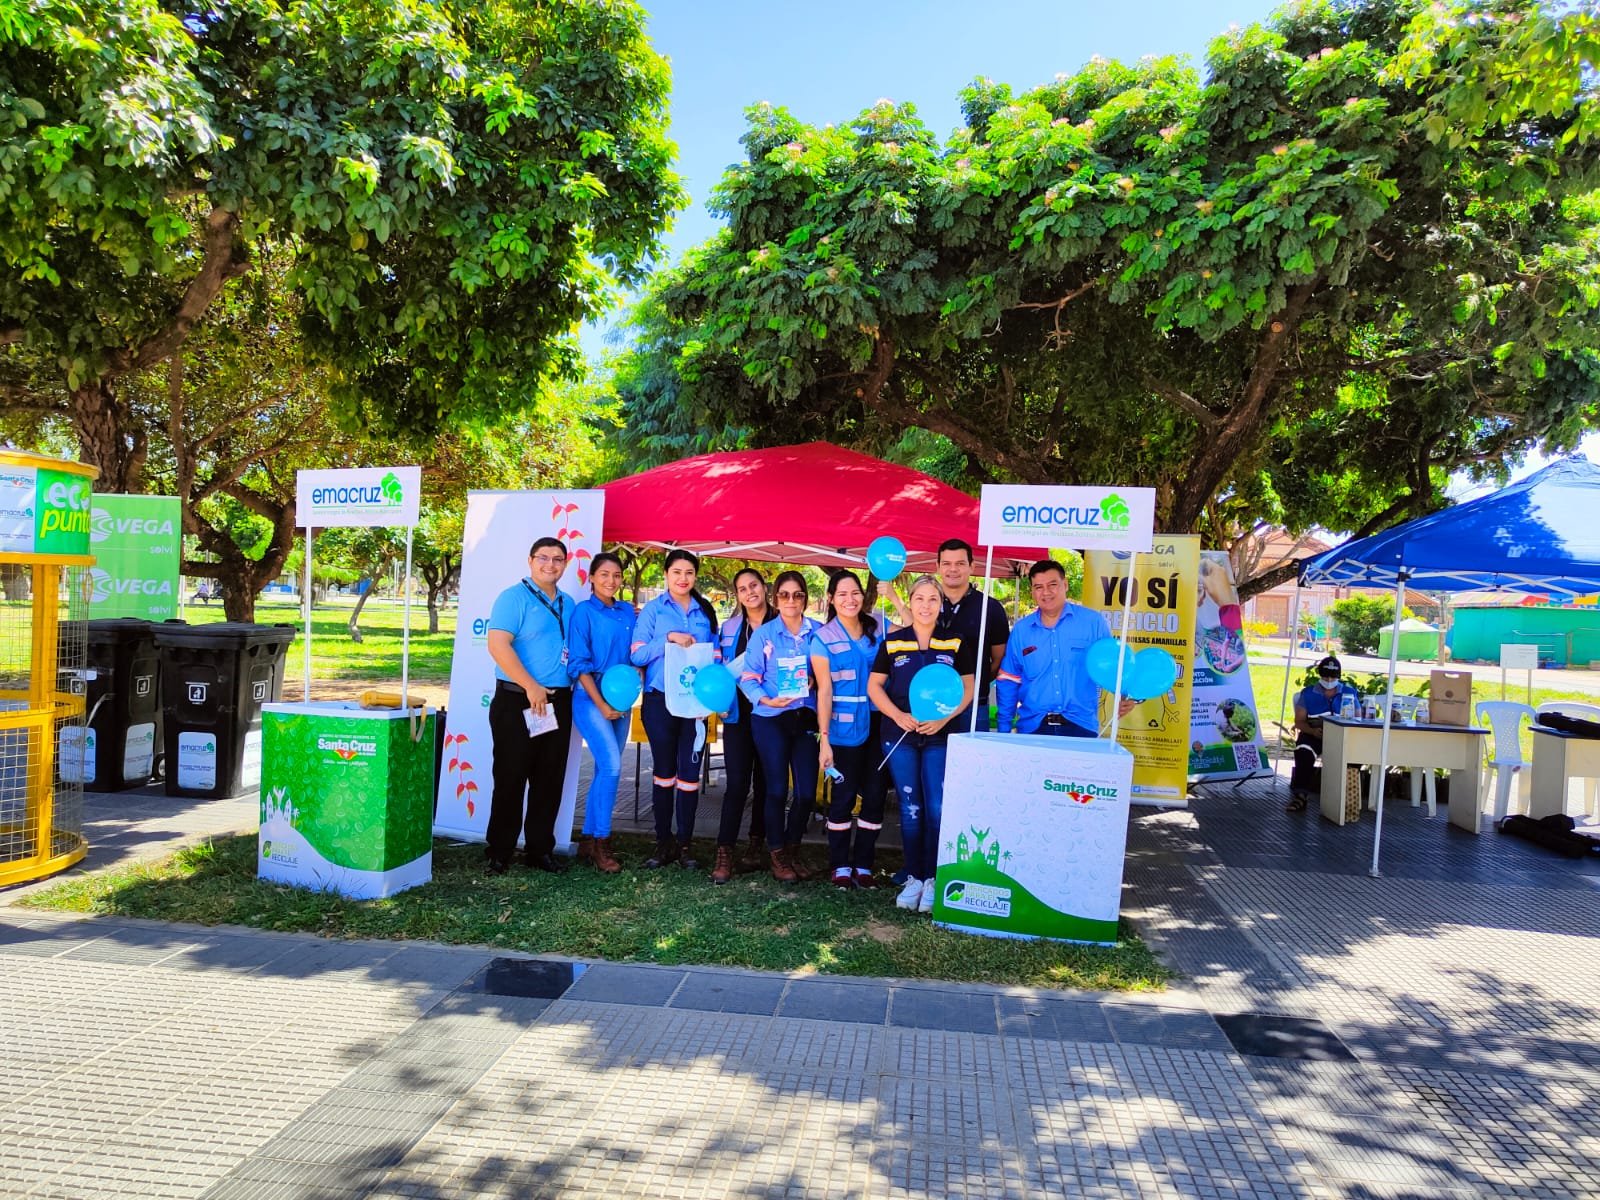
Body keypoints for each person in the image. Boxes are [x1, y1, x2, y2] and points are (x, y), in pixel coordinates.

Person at [868, 574, 976, 913]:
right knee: (911, 809)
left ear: (940, 604)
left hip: (940, 736)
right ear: (910, 603)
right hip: (899, 736)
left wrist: (944, 718)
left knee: (937, 808)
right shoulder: (893, 641)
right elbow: (874, 687)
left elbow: (968, 687)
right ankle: (914, 876)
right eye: (919, 599)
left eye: (933, 599)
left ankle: (933, 877)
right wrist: (898, 716)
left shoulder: (955, 641)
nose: (926, 605)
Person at [484, 537, 577, 876]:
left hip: (558, 702)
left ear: (565, 564)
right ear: (530, 560)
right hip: (517, 701)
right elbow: (497, 645)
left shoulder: (569, 603)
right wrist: (531, 686)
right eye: (543, 558)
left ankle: (539, 850)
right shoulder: (513, 598)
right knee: (510, 777)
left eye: (557, 559)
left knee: (548, 780)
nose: (550, 564)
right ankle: (499, 851)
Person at [631, 549, 720, 868]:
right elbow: (638, 655)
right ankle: (662, 843)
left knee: (689, 776)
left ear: (696, 576)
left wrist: (711, 698)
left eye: (689, 573)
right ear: (666, 575)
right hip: (659, 702)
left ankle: (685, 845)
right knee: (663, 774)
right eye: (677, 572)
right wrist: (668, 639)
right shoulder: (653, 611)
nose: (683, 578)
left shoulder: (705, 611)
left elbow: (716, 657)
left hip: (694, 706)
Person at [740, 569, 823, 883]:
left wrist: (815, 679)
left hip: (804, 718)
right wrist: (765, 700)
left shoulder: (817, 632)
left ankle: (792, 849)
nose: (791, 600)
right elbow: (748, 678)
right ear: (776, 599)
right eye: (785, 595)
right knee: (775, 790)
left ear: (805, 598)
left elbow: (825, 673)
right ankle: (776, 854)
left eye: (798, 594)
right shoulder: (764, 634)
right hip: (770, 719)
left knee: (804, 794)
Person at [995, 559, 1137, 737]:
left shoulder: (1093, 623)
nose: (1046, 592)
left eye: (1052, 584)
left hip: (1080, 727)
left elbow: (1112, 665)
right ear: (1032, 591)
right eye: (1038, 587)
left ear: (1065, 585)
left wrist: (1125, 694)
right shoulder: (1021, 630)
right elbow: (1009, 679)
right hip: (1033, 728)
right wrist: (1003, 728)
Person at [811, 569, 888, 889]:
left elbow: (920, 628)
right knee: (842, 797)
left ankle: (865, 864)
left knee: (874, 796)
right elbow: (824, 691)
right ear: (830, 599)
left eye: (855, 592)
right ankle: (840, 865)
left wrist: (895, 596)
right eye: (842, 594)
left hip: (879, 726)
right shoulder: (822, 639)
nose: (849, 599)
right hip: (842, 732)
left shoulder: (879, 629)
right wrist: (824, 740)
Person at [567, 551, 635, 874]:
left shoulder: (627, 612)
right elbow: (578, 665)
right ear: (592, 578)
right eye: (604, 574)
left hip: (621, 701)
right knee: (611, 766)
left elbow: (637, 653)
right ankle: (603, 846)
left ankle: (590, 838)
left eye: (617, 575)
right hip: (590, 697)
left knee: (602, 771)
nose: (611, 580)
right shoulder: (583, 613)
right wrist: (602, 704)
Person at [710, 568, 775, 883]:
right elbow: (719, 670)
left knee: (766, 784)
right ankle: (724, 852)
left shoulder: (781, 622)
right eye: (742, 589)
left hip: (772, 715)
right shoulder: (730, 627)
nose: (750, 592)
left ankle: (756, 845)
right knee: (736, 784)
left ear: (764, 588)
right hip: (737, 715)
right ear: (737, 595)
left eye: (754, 586)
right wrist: (719, 701)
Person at [932, 539, 1009, 731]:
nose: (953, 569)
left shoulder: (990, 608)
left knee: (974, 761)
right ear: (938, 567)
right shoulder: (926, 604)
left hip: (974, 705)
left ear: (972, 566)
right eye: (947, 564)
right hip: (932, 702)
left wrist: (976, 681)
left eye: (960, 563)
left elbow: (999, 659)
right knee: (935, 761)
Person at [1286, 655, 1363, 813]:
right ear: (1320, 675)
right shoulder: (1308, 693)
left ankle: (1346, 799)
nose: (1329, 680)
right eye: (1325, 676)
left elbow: (1358, 718)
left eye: (1333, 676)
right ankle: (1300, 795)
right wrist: (1313, 731)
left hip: (1342, 735)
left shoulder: (1349, 693)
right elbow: (1299, 721)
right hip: (1314, 733)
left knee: (1355, 755)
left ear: (1338, 677)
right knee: (1303, 751)